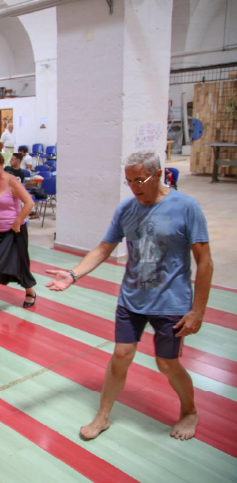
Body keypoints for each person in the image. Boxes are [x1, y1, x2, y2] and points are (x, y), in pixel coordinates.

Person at [46, 150, 213, 442]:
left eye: (140, 180)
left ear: (158, 174)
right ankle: (103, 415)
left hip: (171, 301)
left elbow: (205, 261)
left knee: (167, 363)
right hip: (132, 299)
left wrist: (198, 310)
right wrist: (73, 274)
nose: (135, 187)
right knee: (121, 355)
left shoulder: (187, 207)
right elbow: (103, 248)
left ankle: (189, 411)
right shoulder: (126, 209)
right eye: (129, 181)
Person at [0, 150, 37, 307]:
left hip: (14, 231)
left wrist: (18, 221)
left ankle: (29, 291)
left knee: (20, 263)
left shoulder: (12, 182)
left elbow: (29, 203)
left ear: (0, 165)